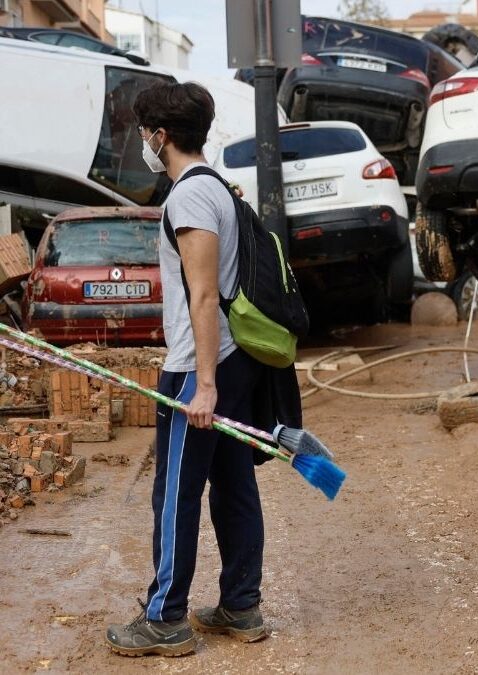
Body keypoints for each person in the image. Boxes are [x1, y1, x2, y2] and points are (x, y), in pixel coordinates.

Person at [106, 82, 268, 657]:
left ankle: (165, 618)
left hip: (201, 369)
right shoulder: (217, 187)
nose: (145, 142)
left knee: (176, 494)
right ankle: (240, 606)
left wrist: (202, 387)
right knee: (232, 487)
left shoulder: (191, 197)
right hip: (228, 362)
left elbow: (202, 296)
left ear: (161, 136)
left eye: (146, 133)